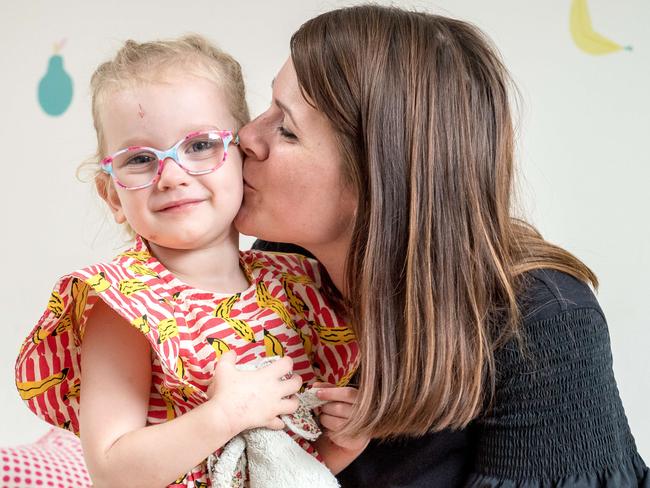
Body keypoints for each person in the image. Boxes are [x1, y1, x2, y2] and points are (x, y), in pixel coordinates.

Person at [234, 5, 649, 487]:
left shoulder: (541, 327)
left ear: (378, 177)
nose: (247, 136)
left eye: (286, 129)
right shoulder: (278, 269)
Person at [14, 35, 363, 487]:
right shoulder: (124, 306)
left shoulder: (296, 288)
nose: (172, 176)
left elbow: (280, 466)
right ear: (113, 196)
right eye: (140, 158)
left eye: (199, 146)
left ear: (243, 156)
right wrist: (224, 415)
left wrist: (344, 444)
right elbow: (113, 470)